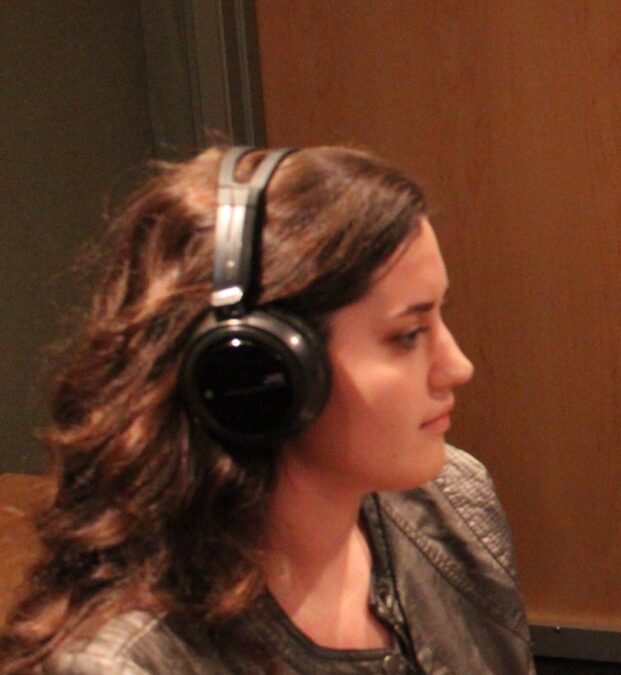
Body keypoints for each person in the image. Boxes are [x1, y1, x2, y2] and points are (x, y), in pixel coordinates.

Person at [0, 146, 535, 673]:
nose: (458, 366)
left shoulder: (453, 506)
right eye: (408, 335)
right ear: (259, 370)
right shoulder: (129, 663)